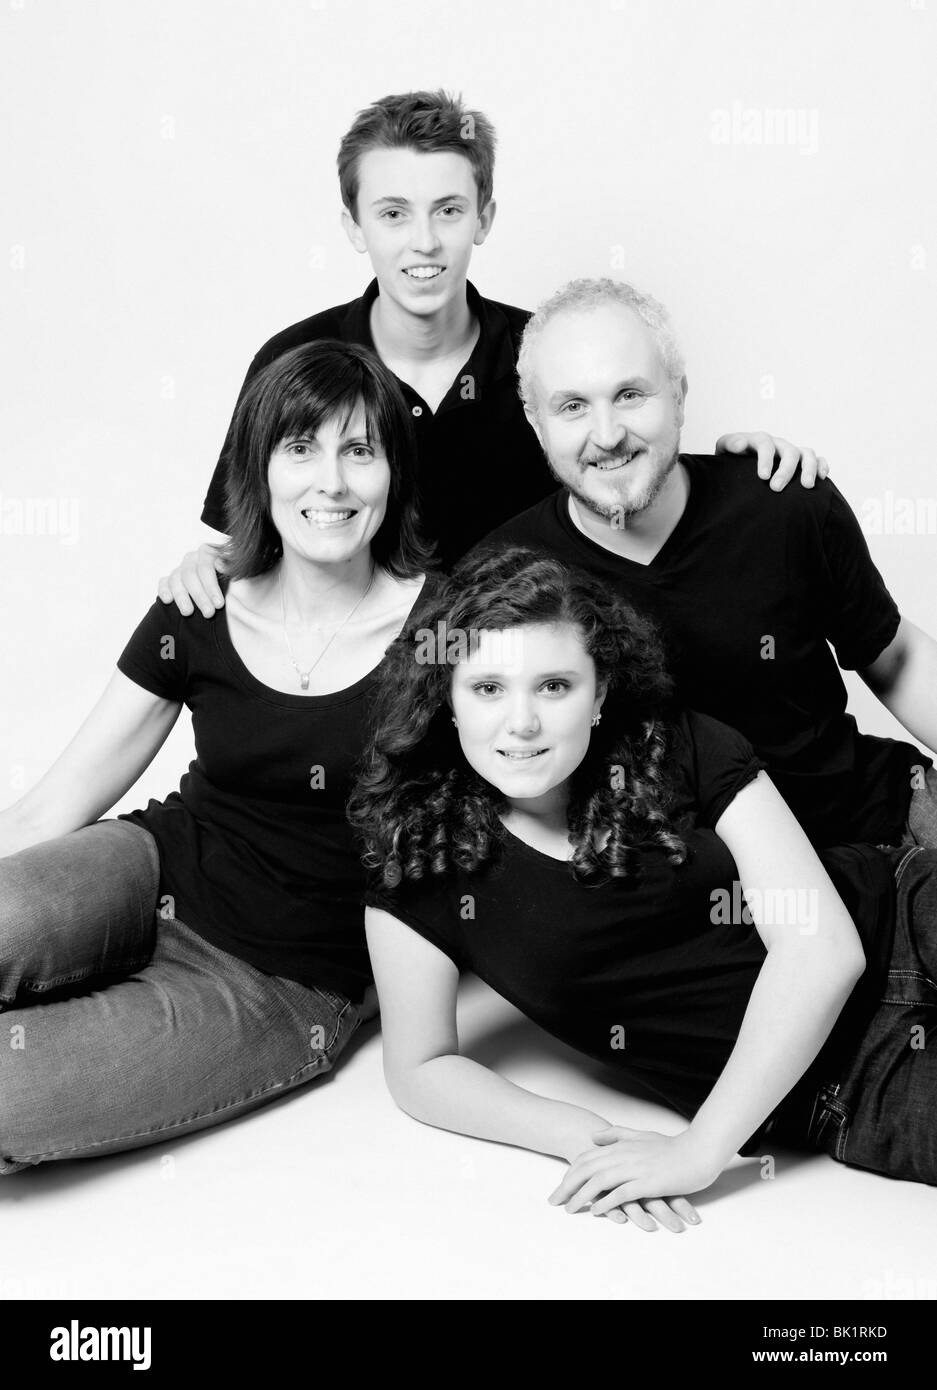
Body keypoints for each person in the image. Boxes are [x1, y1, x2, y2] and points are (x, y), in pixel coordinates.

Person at [349, 547, 937, 1233]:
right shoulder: (421, 866)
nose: (522, 723)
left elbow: (820, 947)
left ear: (598, 693)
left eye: (553, 686)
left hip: (901, 909)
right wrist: (579, 1134)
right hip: (847, 1083)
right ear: (444, 697)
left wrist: (700, 1150)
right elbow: (420, 1066)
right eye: (487, 689)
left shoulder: (674, 743)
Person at [0, 340, 434, 1173]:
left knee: (14, 1096)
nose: (330, 483)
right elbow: (46, 810)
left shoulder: (450, 633)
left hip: (281, 980)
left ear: (395, 473)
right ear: (258, 469)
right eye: (300, 449)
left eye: (359, 451)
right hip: (152, 870)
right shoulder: (198, 605)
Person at [160, 89, 826, 605]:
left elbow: (632, 479)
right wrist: (211, 563)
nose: (423, 240)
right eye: (393, 213)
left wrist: (739, 475)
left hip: (532, 688)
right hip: (363, 685)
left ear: (484, 217)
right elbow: (254, 537)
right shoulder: (295, 360)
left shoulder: (548, 357)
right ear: (354, 227)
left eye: (448, 210)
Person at [477, 277, 937, 848]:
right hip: (695, 894)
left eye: (630, 395)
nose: (608, 435)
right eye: (572, 406)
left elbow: (896, 657)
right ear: (534, 420)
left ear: (679, 393)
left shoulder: (785, 500)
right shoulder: (505, 576)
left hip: (879, 828)